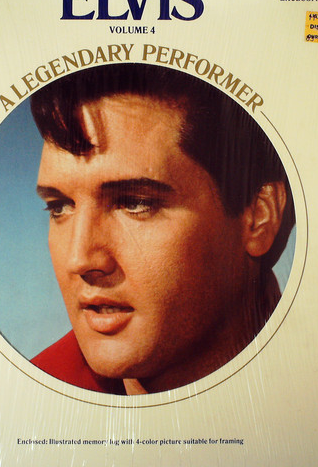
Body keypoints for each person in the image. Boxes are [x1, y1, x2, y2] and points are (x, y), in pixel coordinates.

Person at [29, 63, 295, 395]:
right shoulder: (24, 404)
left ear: (258, 218)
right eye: (59, 206)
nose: (80, 260)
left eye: (135, 203)